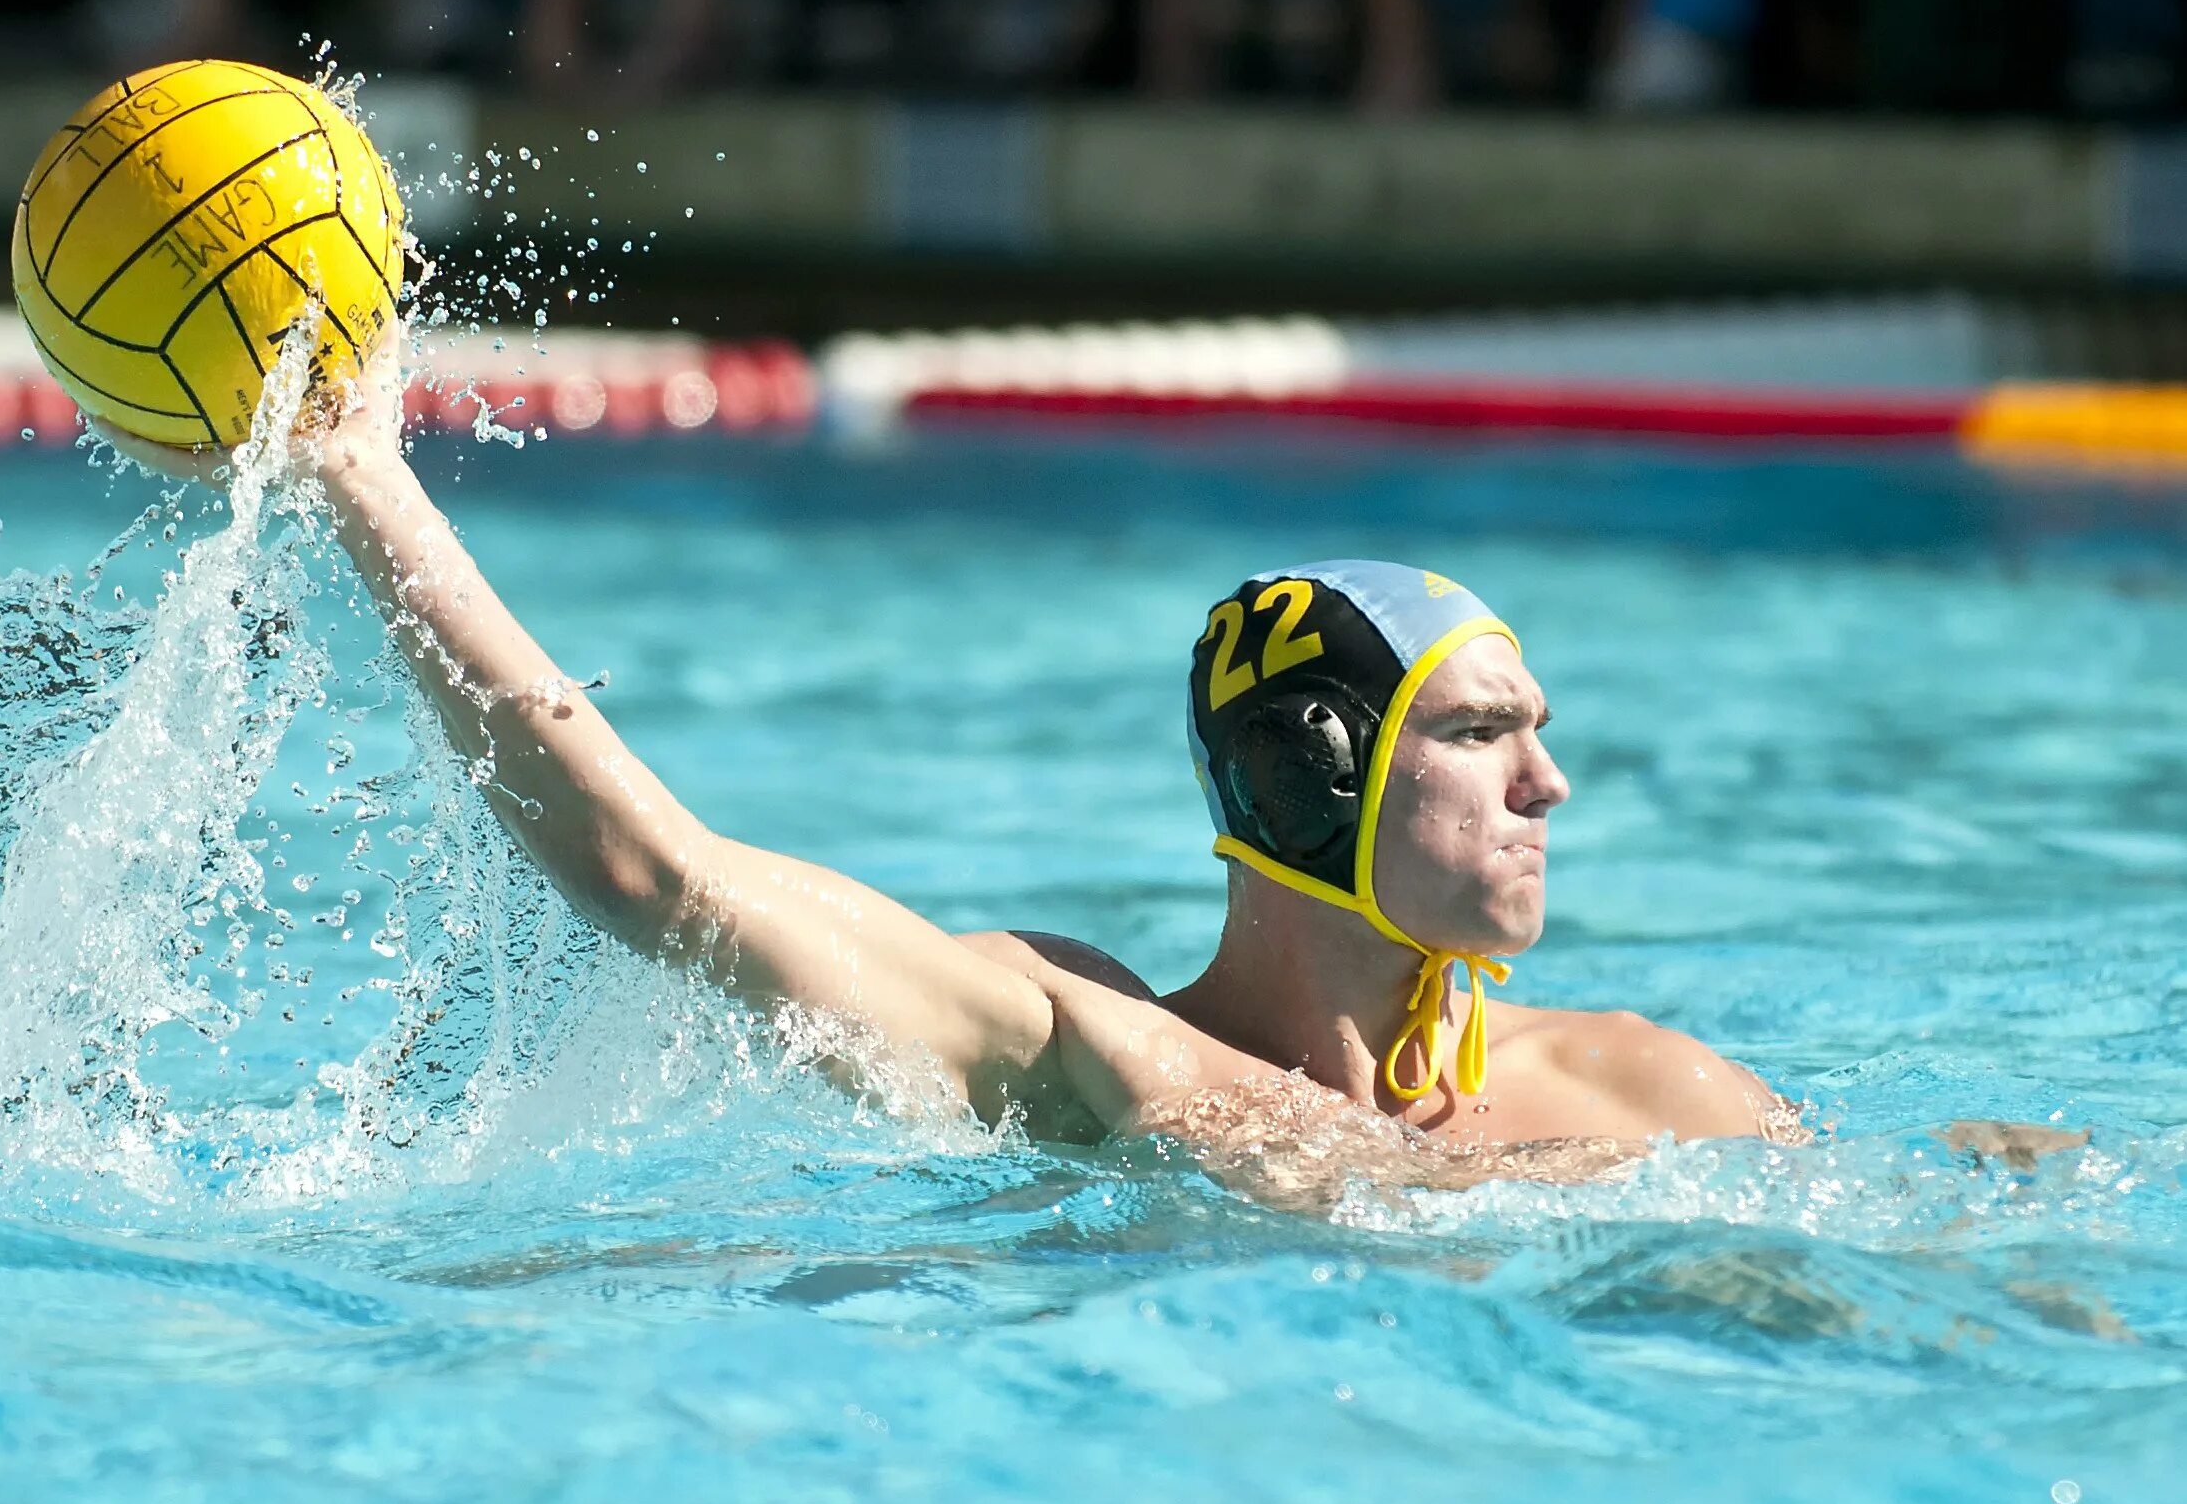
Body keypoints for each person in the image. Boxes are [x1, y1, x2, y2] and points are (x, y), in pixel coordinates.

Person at [120, 334, 1800, 1194]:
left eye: (1539, 739)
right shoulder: (1092, 1050)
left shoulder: (1648, 1087)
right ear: (1322, 768)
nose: (1547, 788)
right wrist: (362, 473)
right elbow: (656, 878)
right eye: (1483, 730)